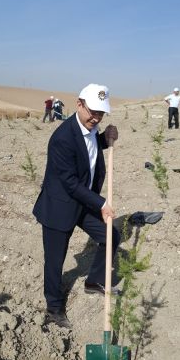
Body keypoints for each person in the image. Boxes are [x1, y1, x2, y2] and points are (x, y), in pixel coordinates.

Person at [33, 83, 120, 329]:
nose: (96, 117)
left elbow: (88, 150)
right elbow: (70, 183)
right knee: (54, 261)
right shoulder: (62, 138)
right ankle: (54, 308)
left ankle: (94, 281)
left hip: (82, 202)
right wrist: (102, 202)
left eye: (101, 113)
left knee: (111, 234)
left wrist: (105, 139)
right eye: (93, 111)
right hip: (59, 207)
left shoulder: (91, 127)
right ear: (79, 104)